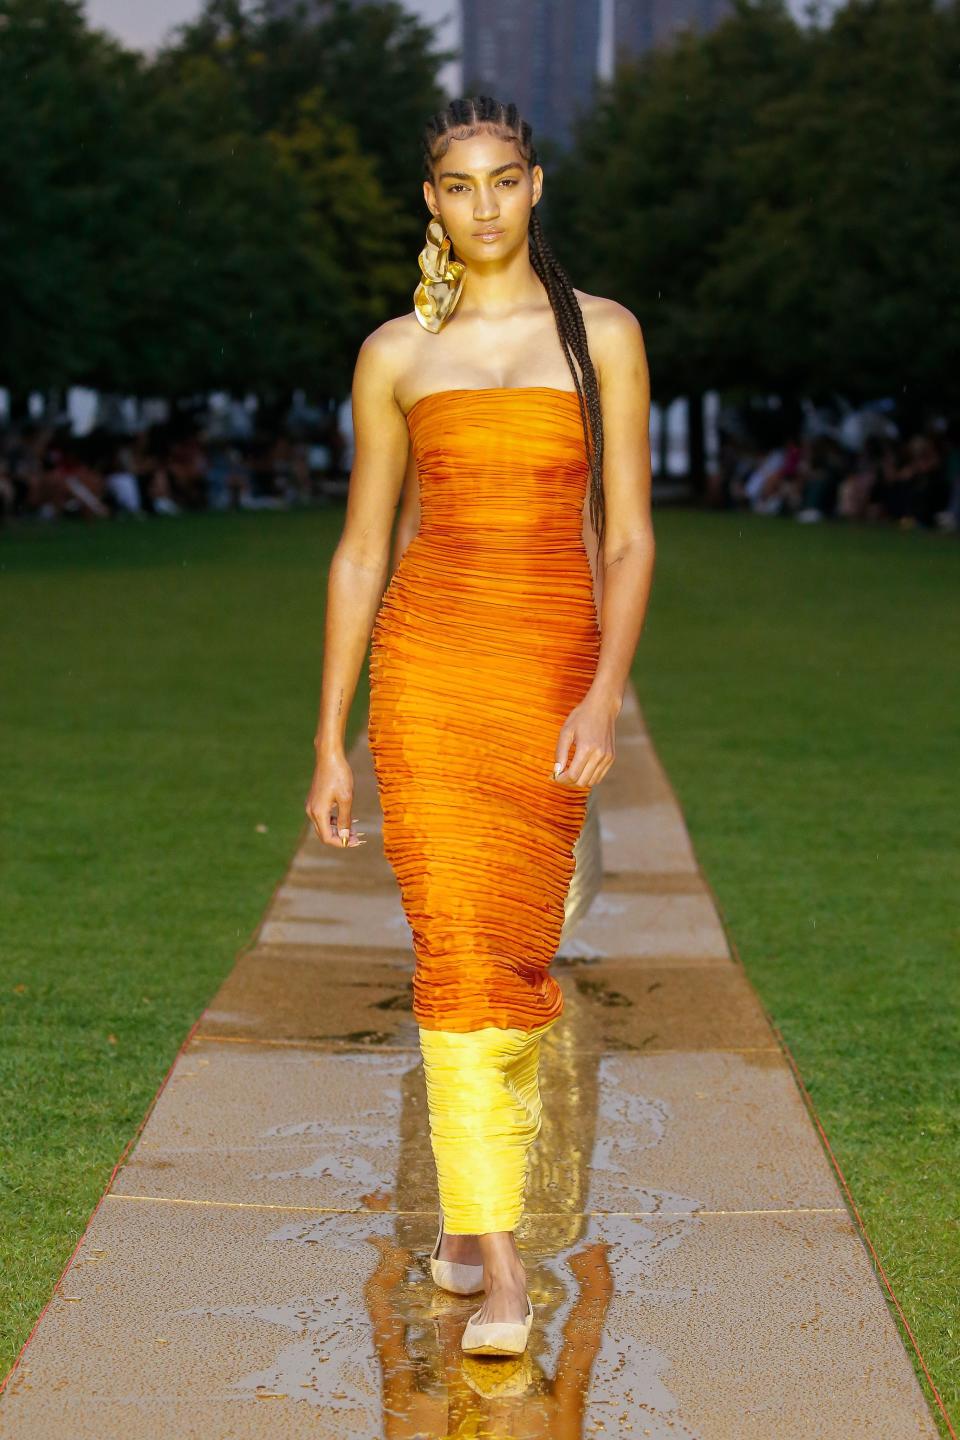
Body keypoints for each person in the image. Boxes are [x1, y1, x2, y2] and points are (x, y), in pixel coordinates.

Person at [305, 94, 654, 1358]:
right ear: (432, 204)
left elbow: (625, 536)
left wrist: (604, 687)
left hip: (549, 663)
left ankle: (468, 1216)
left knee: (513, 946)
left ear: (538, 186)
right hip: (429, 672)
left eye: (506, 180)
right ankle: (501, 1272)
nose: (487, 205)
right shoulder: (396, 353)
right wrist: (327, 739)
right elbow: (360, 552)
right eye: (461, 185)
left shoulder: (603, 337)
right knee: (453, 948)